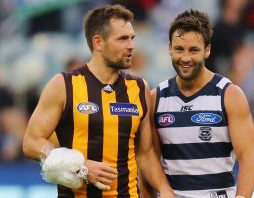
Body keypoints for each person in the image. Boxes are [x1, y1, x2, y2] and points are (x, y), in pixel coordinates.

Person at [23, 4, 174, 198]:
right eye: (122, 39)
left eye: (132, 38)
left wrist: (165, 190)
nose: (131, 46)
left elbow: (145, 154)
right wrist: (79, 165)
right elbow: (31, 142)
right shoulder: (63, 85)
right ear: (98, 42)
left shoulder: (139, 88)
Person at [143, 9, 254, 198]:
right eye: (179, 49)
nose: (186, 58)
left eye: (194, 50)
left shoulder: (230, 95)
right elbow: (149, 159)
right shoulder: (156, 98)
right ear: (169, 48)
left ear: (207, 50)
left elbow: (248, 157)